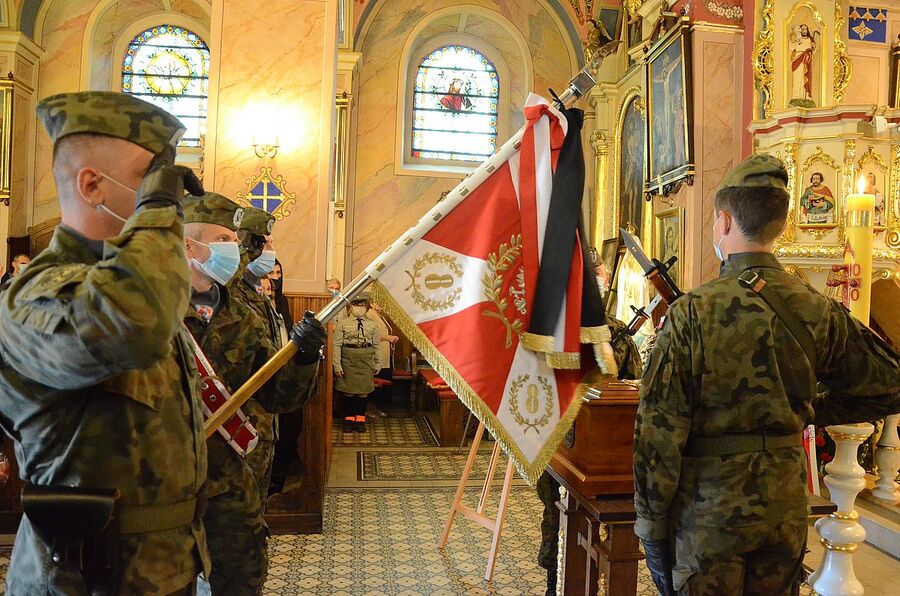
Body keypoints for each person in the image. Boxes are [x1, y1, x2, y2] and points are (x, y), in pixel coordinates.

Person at [634, 154, 900, 595]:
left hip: (708, 513)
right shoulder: (816, 308)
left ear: (723, 221)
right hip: (783, 505)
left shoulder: (691, 315)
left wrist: (650, 525)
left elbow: (658, 435)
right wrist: (810, 409)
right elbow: (889, 383)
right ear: (780, 223)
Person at [0, 91, 209, 594]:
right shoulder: (36, 294)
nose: (171, 199)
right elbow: (134, 322)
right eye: (148, 178)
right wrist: (157, 212)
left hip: (164, 567)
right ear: (92, 184)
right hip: (84, 575)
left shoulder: (131, 280)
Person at [183, 192, 325, 594]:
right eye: (223, 239)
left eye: (234, 238)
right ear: (189, 244)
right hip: (167, 488)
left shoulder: (242, 313)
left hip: (234, 484)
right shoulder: (150, 312)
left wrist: (304, 357)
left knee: (239, 583)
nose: (234, 249)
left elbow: (279, 397)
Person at [536, 314, 643, 595]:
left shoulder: (549, 324)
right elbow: (635, 385)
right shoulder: (613, 328)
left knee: (557, 517)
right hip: (591, 446)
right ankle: (556, 582)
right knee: (559, 516)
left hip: (564, 444)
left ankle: (556, 583)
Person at [229, 205, 287, 511]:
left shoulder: (258, 293)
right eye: (265, 243)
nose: (272, 251)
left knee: (254, 514)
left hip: (262, 424)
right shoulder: (230, 292)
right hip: (236, 430)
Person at [333, 293, 383, 432]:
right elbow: (336, 345)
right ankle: (349, 419)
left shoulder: (372, 324)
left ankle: (360, 419)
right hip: (348, 359)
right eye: (356, 304)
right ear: (350, 306)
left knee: (363, 391)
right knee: (348, 391)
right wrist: (337, 365)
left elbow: (377, 345)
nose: (359, 308)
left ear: (367, 307)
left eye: (362, 305)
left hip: (366, 360)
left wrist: (378, 363)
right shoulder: (342, 324)